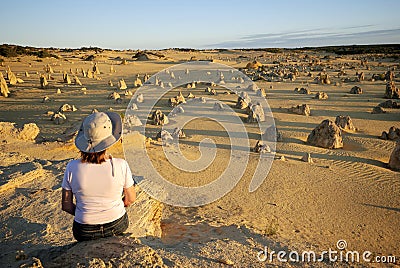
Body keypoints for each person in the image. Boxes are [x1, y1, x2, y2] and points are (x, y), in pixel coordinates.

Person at [61, 112, 136, 241]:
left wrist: (85, 213)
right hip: (116, 224)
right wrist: (112, 208)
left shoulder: (72, 167)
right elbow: (130, 199)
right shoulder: (121, 165)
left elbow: (66, 205)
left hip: (84, 230)